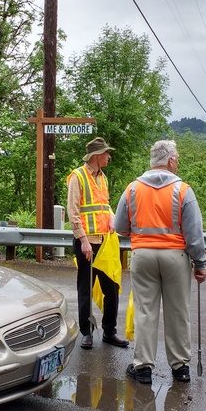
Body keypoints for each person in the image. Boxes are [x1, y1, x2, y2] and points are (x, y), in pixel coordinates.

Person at [114, 140, 206, 384]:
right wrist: (200, 263)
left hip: (142, 255)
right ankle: (180, 368)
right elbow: (194, 233)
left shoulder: (132, 189)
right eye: (176, 159)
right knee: (178, 311)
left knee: (145, 311)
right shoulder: (183, 190)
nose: (177, 163)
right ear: (169, 161)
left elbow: (120, 227)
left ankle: (143, 367)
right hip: (175, 257)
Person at [66, 137, 129, 350]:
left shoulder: (103, 178)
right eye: (106, 153)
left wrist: (112, 217)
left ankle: (110, 331)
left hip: (105, 242)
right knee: (85, 289)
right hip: (87, 243)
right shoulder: (78, 176)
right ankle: (87, 332)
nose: (109, 157)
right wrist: (82, 240)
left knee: (110, 287)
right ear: (96, 156)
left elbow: (104, 205)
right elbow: (73, 212)